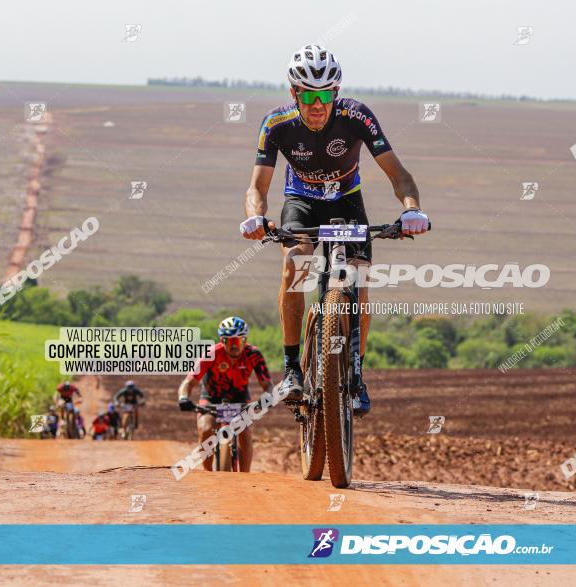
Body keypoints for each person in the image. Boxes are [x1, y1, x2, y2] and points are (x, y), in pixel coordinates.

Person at [239, 44, 430, 417]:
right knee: (294, 267)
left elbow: (399, 174)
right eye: (308, 95)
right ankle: (292, 367)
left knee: (358, 279)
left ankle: (355, 375)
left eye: (325, 94)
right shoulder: (277, 125)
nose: (317, 104)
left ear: (336, 93)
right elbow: (257, 188)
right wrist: (255, 217)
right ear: (294, 93)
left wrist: (412, 210)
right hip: (302, 200)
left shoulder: (358, 116)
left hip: (347, 200)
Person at [176, 316, 272, 472]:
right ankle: (208, 474)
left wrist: (267, 397)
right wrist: (183, 397)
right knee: (206, 429)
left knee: (245, 431)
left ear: (245, 339)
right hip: (211, 397)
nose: (235, 346)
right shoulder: (211, 354)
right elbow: (188, 382)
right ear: (222, 340)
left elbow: (267, 384)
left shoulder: (253, 355)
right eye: (230, 341)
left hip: (239, 398)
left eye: (239, 341)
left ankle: (245, 476)